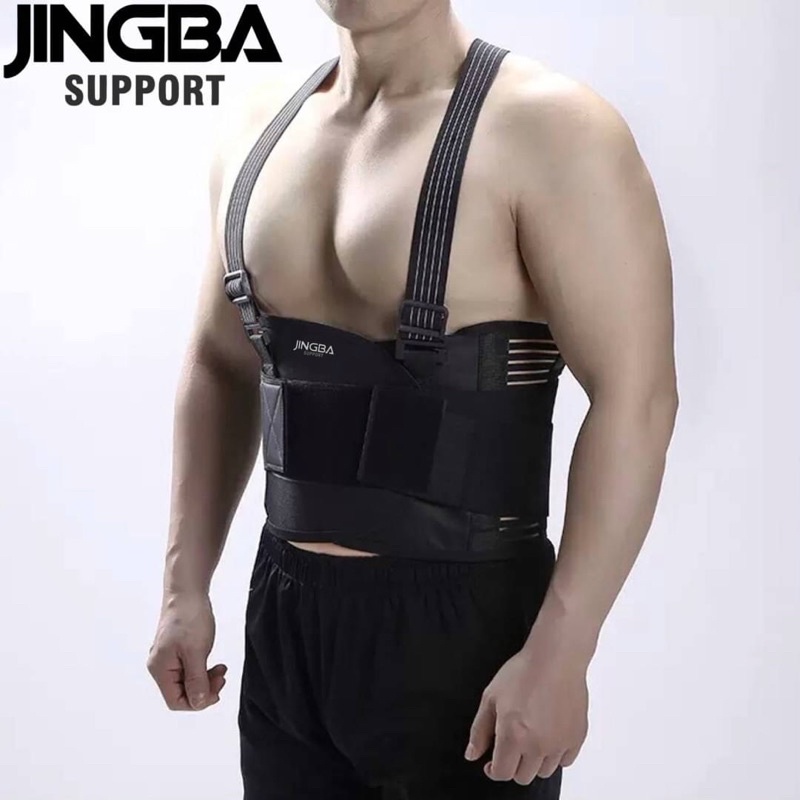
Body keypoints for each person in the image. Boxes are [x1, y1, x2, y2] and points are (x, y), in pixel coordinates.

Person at [147, 1, 678, 797]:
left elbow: (638, 398)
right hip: (286, 612)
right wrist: (183, 586)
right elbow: (220, 363)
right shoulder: (257, 130)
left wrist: (565, 648)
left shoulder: (550, 129)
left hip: (468, 627)